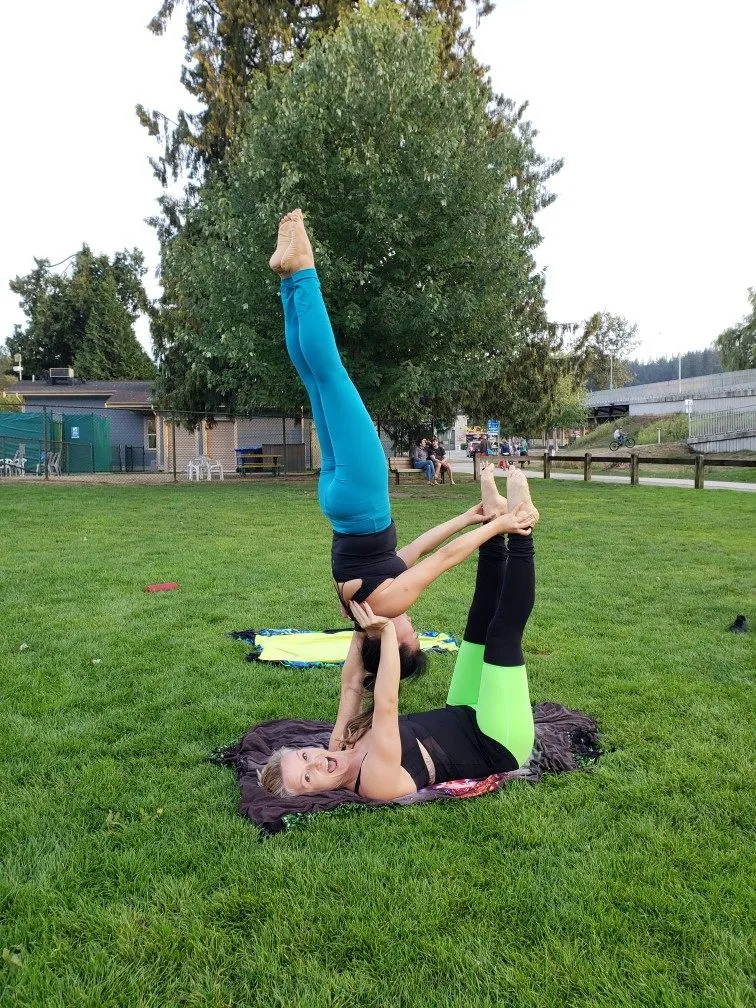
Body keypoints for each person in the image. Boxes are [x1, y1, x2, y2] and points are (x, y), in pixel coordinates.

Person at [269, 209, 533, 681]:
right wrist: (469, 517)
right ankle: (289, 278)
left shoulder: (389, 604)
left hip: (363, 498)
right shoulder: (362, 604)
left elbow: (444, 561)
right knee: (314, 380)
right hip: (339, 503)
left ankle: (303, 269)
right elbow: (412, 550)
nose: (414, 625)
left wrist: (499, 530)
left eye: (412, 634)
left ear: (397, 640)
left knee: (331, 375)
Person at [259, 463, 538, 800]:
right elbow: (387, 702)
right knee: (501, 637)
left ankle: (495, 524)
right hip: (498, 741)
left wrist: (361, 624)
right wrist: (387, 633)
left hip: (460, 713)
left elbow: (350, 684)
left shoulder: (340, 741)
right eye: (307, 778)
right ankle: (523, 527)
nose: (317, 763)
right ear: (313, 794)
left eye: (304, 757)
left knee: (477, 627)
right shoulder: (374, 784)